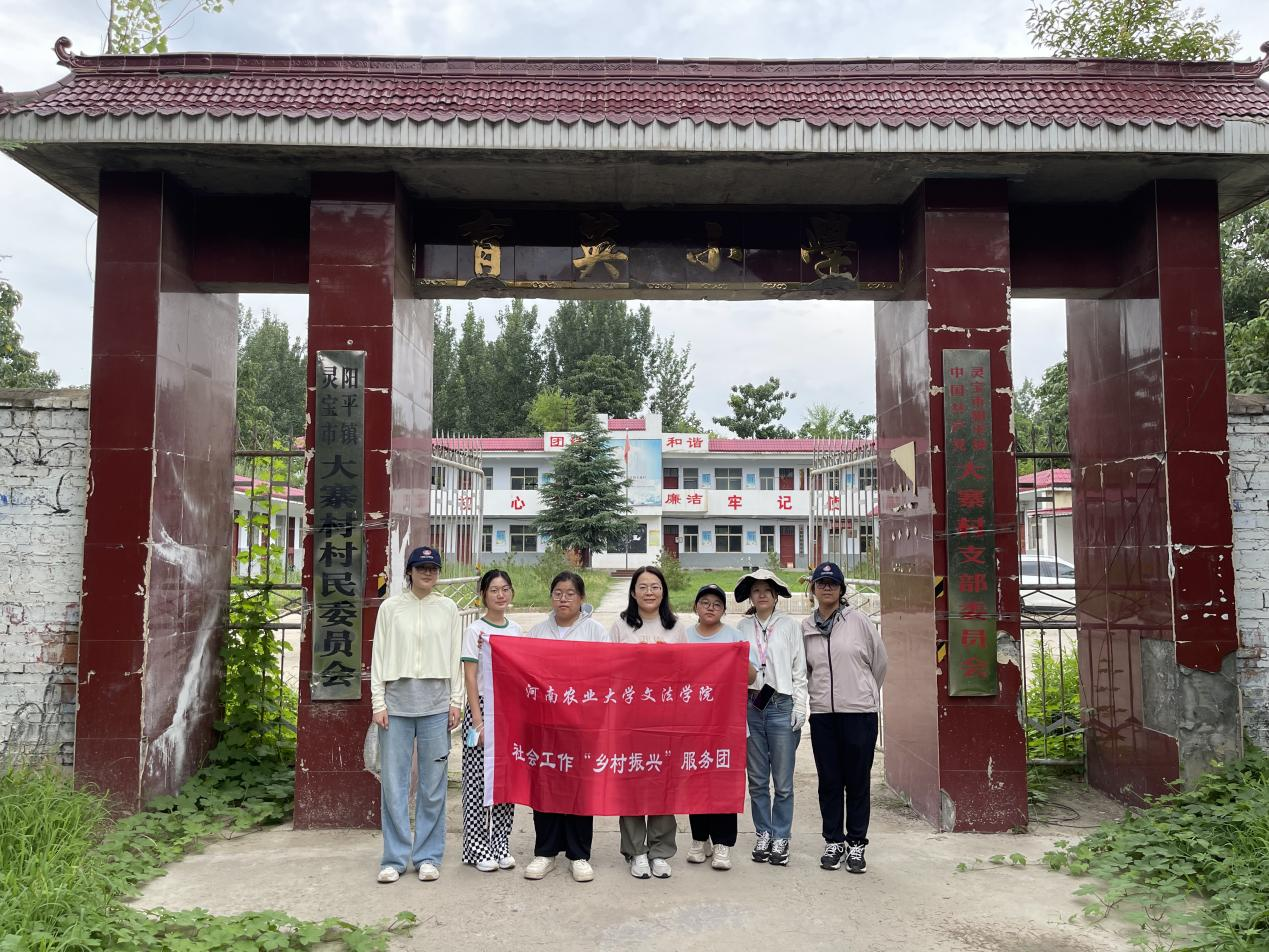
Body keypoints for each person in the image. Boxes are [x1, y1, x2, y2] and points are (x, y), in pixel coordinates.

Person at [369, 545, 463, 884]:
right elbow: (378, 654)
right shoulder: (391, 608)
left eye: (433, 568)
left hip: (436, 705)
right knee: (394, 785)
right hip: (396, 705)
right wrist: (378, 702)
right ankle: (394, 858)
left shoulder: (448, 608)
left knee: (433, 785)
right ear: (409, 571)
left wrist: (456, 700)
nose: (428, 573)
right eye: (421, 567)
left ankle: (428, 856)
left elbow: (455, 655)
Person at [524, 571, 611, 883]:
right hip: (545, 723)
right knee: (545, 783)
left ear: (581, 598)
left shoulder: (596, 632)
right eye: (558, 593)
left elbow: (606, 675)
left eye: (570, 593)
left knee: (578, 786)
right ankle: (545, 852)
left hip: (581, 724)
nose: (563, 599)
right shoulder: (536, 632)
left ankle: (578, 854)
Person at [801, 561, 887, 874]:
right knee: (829, 781)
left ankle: (857, 843)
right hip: (823, 715)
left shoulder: (858, 621)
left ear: (841, 589)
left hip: (859, 714)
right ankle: (833, 841)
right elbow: (804, 670)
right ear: (813, 589)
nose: (827, 588)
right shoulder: (805, 628)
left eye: (833, 583)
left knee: (857, 781)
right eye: (821, 583)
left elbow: (879, 662)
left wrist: (864, 693)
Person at [609, 565, 687, 880]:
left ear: (663, 591)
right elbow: (609, 669)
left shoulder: (676, 627)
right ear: (633, 592)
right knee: (631, 781)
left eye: (655, 586)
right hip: (629, 716)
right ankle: (636, 851)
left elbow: (686, 670)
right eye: (642, 587)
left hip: (665, 716)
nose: (649, 592)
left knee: (662, 781)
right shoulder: (620, 625)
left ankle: (660, 851)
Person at [735, 567, 807, 867]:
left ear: (776, 595)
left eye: (767, 590)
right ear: (750, 597)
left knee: (783, 781)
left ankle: (781, 836)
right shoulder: (741, 627)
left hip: (781, 704)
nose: (762, 595)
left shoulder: (789, 626)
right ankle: (763, 833)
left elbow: (799, 668)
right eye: (756, 590)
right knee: (757, 779)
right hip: (751, 704)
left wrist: (800, 706)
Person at [683, 583, 755, 872]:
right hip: (692, 723)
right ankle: (700, 839)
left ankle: (723, 843)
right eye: (705, 602)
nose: (710, 608)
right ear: (695, 607)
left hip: (727, 725)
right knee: (695, 779)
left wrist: (736, 657)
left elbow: (751, 677)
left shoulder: (734, 637)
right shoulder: (683, 637)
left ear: (724, 610)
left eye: (716, 604)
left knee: (723, 782)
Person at [460, 569, 522, 872]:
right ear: (483, 594)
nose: (500, 595)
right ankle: (476, 848)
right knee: (476, 782)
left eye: (505, 589)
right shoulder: (475, 631)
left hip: (509, 712)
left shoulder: (517, 631)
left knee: (505, 781)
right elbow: (470, 678)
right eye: (494, 589)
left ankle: (500, 844)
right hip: (482, 708)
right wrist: (478, 721)